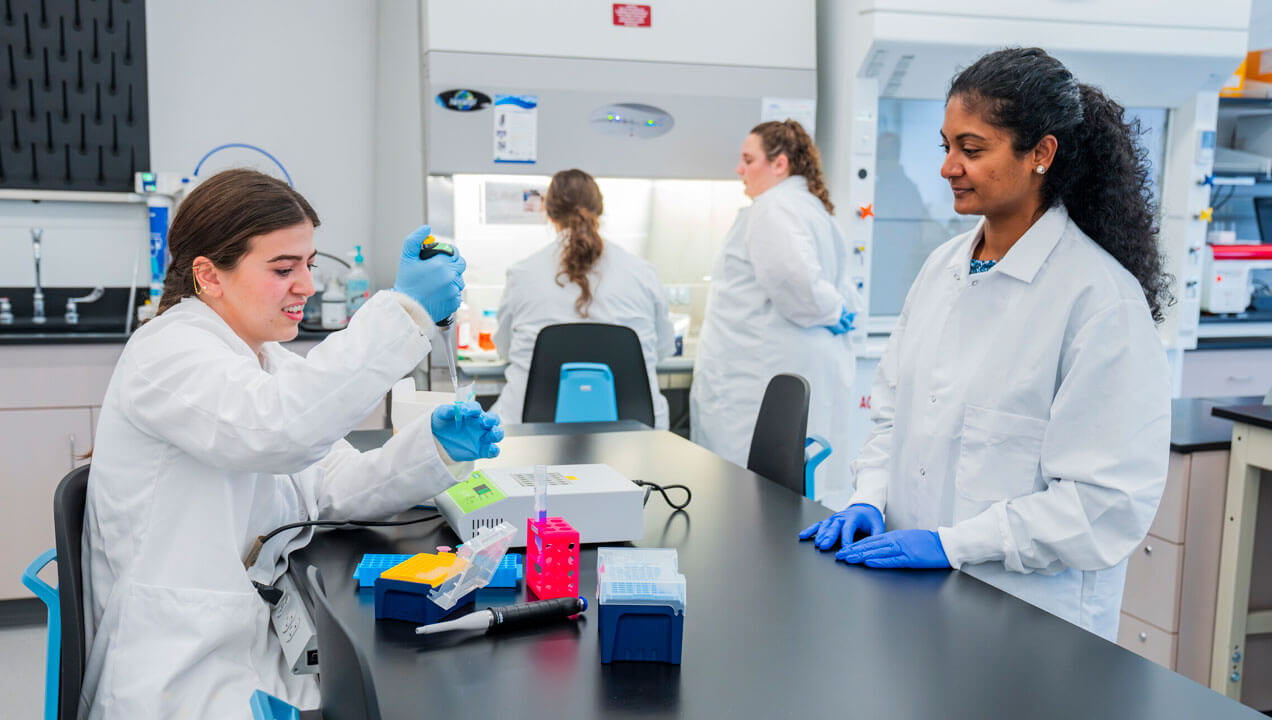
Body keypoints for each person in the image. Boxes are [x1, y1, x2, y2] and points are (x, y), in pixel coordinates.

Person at [80, 169, 504, 719]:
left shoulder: (261, 356)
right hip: (179, 671)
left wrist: (434, 451)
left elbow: (331, 487)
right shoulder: (168, 353)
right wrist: (406, 313)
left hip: (252, 644)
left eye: (308, 263)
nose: (306, 284)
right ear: (209, 276)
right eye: (283, 268)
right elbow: (279, 430)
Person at [799, 48, 1172, 641]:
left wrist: (952, 544)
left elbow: (1103, 506)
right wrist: (867, 499)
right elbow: (893, 417)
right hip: (918, 604)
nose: (949, 167)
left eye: (972, 150)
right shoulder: (943, 267)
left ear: (1041, 155)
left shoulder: (1100, 301)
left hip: (1028, 622)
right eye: (945, 146)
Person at [691, 120, 861, 475]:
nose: (740, 169)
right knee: (789, 489)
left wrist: (830, 311)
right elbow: (836, 286)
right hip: (783, 365)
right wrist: (836, 311)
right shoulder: (809, 208)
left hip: (755, 378)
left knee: (746, 491)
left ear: (780, 164)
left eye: (748, 160)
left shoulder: (774, 208)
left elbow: (795, 282)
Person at [491, 168, 675, 428]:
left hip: (533, 433)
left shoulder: (523, 273)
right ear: (599, 210)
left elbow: (505, 348)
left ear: (549, 212)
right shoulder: (641, 272)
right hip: (635, 434)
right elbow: (663, 348)